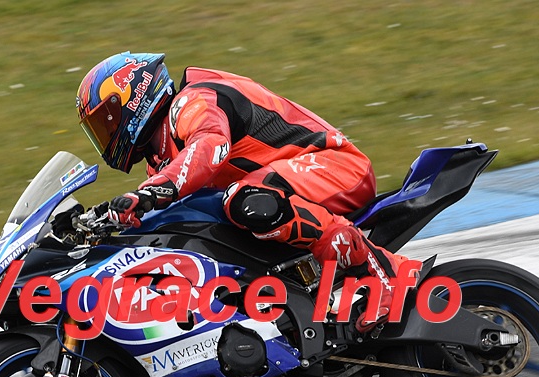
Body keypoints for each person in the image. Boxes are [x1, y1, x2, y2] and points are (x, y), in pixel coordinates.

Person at [76, 51, 419, 332]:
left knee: (245, 199)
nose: (105, 135)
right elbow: (166, 201)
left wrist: (149, 194)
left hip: (335, 167)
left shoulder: (193, 101)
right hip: (286, 190)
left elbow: (209, 147)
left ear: (135, 98)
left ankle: (385, 271)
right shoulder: (161, 161)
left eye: (107, 120)